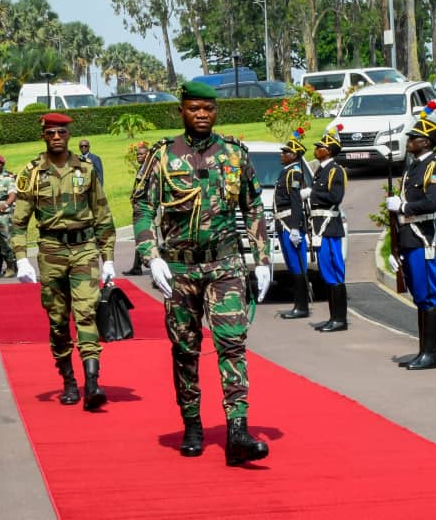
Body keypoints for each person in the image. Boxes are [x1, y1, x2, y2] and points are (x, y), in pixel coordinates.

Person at [131, 82, 271, 466]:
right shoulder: (163, 156)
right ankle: (192, 424)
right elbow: (142, 206)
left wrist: (261, 258)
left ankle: (238, 430)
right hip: (179, 269)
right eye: (194, 108)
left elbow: (253, 206)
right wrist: (150, 255)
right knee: (185, 349)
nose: (202, 115)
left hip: (225, 266)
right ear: (181, 111)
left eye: (208, 108)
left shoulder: (234, 154)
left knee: (232, 343)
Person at [12, 113, 116, 412]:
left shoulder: (86, 169)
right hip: (51, 251)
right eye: (51, 133)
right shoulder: (32, 173)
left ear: (68, 135)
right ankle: (69, 380)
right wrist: (21, 259)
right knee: (58, 320)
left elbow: (102, 213)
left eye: (61, 132)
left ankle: (92, 383)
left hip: (84, 249)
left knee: (86, 312)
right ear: (43, 136)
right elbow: (19, 221)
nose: (56, 137)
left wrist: (108, 258)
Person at [386, 104, 436, 371]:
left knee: (427, 296)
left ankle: (430, 354)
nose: (409, 141)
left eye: (414, 138)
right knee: (417, 296)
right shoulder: (412, 168)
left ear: (426, 142)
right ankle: (423, 350)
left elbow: (431, 202)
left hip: (423, 238)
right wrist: (395, 246)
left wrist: (402, 206)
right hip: (408, 238)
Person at [310, 125, 348, 332]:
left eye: (320, 147)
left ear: (329, 151)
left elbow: (335, 197)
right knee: (326, 272)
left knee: (334, 271)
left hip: (330, 227)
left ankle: (340, 319)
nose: (316, 150)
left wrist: (312, 194)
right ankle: (333, 316)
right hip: (320, 227)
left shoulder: (335, 170)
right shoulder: (321, 170)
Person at [275, 131, 310, 319]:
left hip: (290, 224)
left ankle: (302, 306)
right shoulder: (286, 172)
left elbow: (296, 202)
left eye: (285, 152)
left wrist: (295, 228)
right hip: (283, 222)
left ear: (294, 155)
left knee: (297, 265)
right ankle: (299, 304)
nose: (282, 155)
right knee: (291, 264)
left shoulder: (294, 173)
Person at [123, 142, 150, 276]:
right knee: (141, 237)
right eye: (137, 154)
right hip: (140, 207)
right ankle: (137, 266)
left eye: (141, 154)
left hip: (147, 208)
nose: (138, 156)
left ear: (148, 155)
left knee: (146, 238)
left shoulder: (149, 169)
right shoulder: (142, 168)